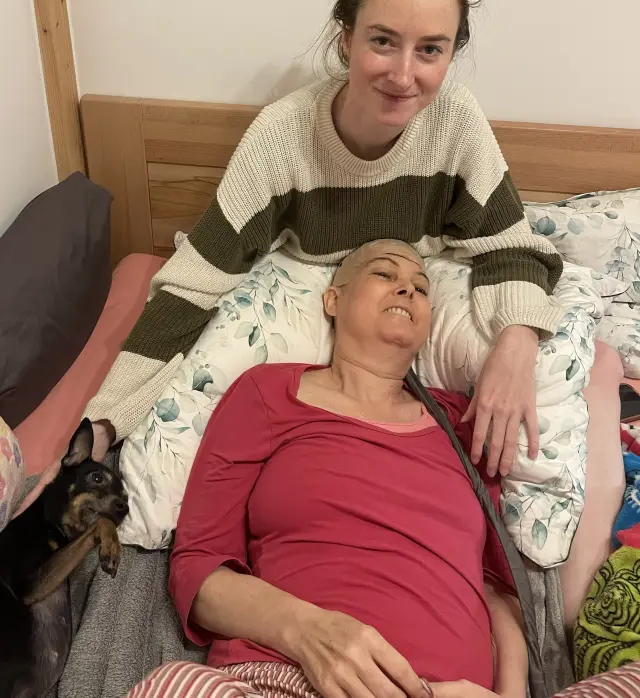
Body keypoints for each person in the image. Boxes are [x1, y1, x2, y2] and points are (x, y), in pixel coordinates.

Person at [83, 0, 623, 623]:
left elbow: (512, 245)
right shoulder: (282, 137)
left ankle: (543, 578)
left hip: (421, 286)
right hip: (312, 289)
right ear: (345, 39)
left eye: (430, 50)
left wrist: (516, 347)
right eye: (383, 41)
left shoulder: (456, 122)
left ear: (452, 53)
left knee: (559, 361)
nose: (403, 74)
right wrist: (103, 423)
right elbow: (193, 284)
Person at [128, 239, 528, 698]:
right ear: (333, 299)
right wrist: (309, 631)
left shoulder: (462, 423)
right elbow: (198, 569)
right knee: (172, 687)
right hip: (289, 678)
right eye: (384, 274)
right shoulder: (268, 394)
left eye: (421, 287)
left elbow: (497, 587)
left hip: (450, 692)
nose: (407, 290)